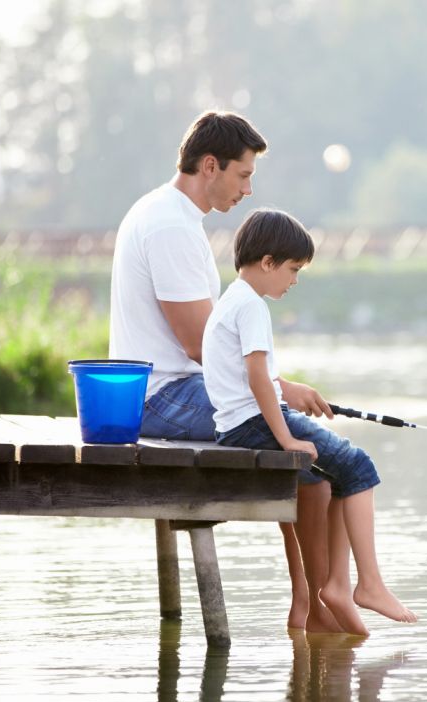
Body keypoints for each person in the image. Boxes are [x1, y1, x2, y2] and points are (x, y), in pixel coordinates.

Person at [108, 110, 340, 633]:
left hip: (167, 389)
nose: (249, 189)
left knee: (298, 439)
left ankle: (310, 598)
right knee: (304, 444)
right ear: (209, 165)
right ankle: (313, 603)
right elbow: (199, 345)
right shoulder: (170, 225)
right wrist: (279, 389)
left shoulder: (166, 213)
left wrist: (276, 392)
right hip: (162, 398)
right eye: (243, 174)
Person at [202, 208, 417, 635]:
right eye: (293, 269)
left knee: (342, 475)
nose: (294, 279)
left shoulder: (231, 300)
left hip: (237, 424)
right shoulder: (251, 307)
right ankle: (368, 584)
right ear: (267, 262)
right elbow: (258, 377)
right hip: (256, 424)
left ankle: (338, 586)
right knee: (360, 467)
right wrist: (285, 437)